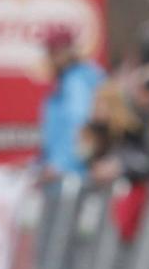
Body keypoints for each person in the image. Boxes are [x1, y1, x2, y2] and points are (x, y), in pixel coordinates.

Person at [38, 26, 104, 181]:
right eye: (49, 52)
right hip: (63, 174)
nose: (50, 57)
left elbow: (79, 126)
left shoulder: (77, 80)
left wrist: (59, 164)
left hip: (76, 177)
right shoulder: (65, 81)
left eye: (54, 52)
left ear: (69, 51)